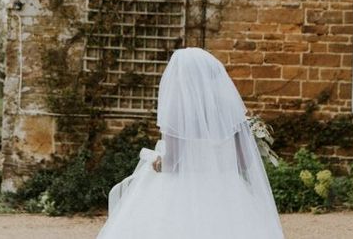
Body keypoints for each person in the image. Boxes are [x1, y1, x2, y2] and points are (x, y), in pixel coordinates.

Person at [97, 47, 284, 239]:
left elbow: (172, 162)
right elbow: (245, 161)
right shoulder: (230, 110)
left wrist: (158, 162)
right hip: (226, 190)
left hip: (183, 189)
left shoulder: (179, 111)